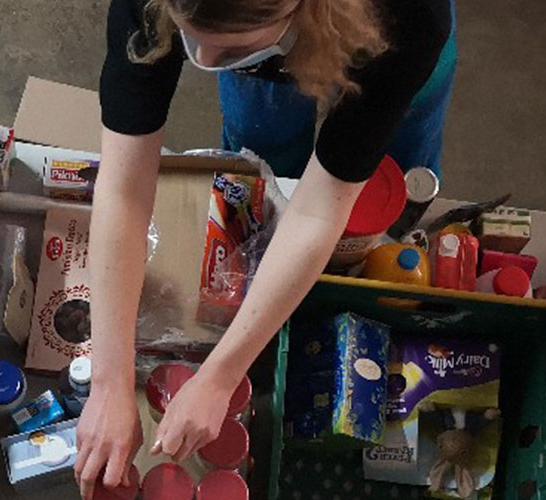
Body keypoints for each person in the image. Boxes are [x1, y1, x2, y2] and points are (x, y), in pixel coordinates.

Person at [75, 0, 456, 494]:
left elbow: (319, 210)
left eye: (230, 49)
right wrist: (108, 382)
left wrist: (221, 377)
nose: (203, 60)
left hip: (379, 35)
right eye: (190, 35)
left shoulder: (408, 21)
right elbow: (124, 189)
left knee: (390, 169)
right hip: (279, 28)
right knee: (261, 142)